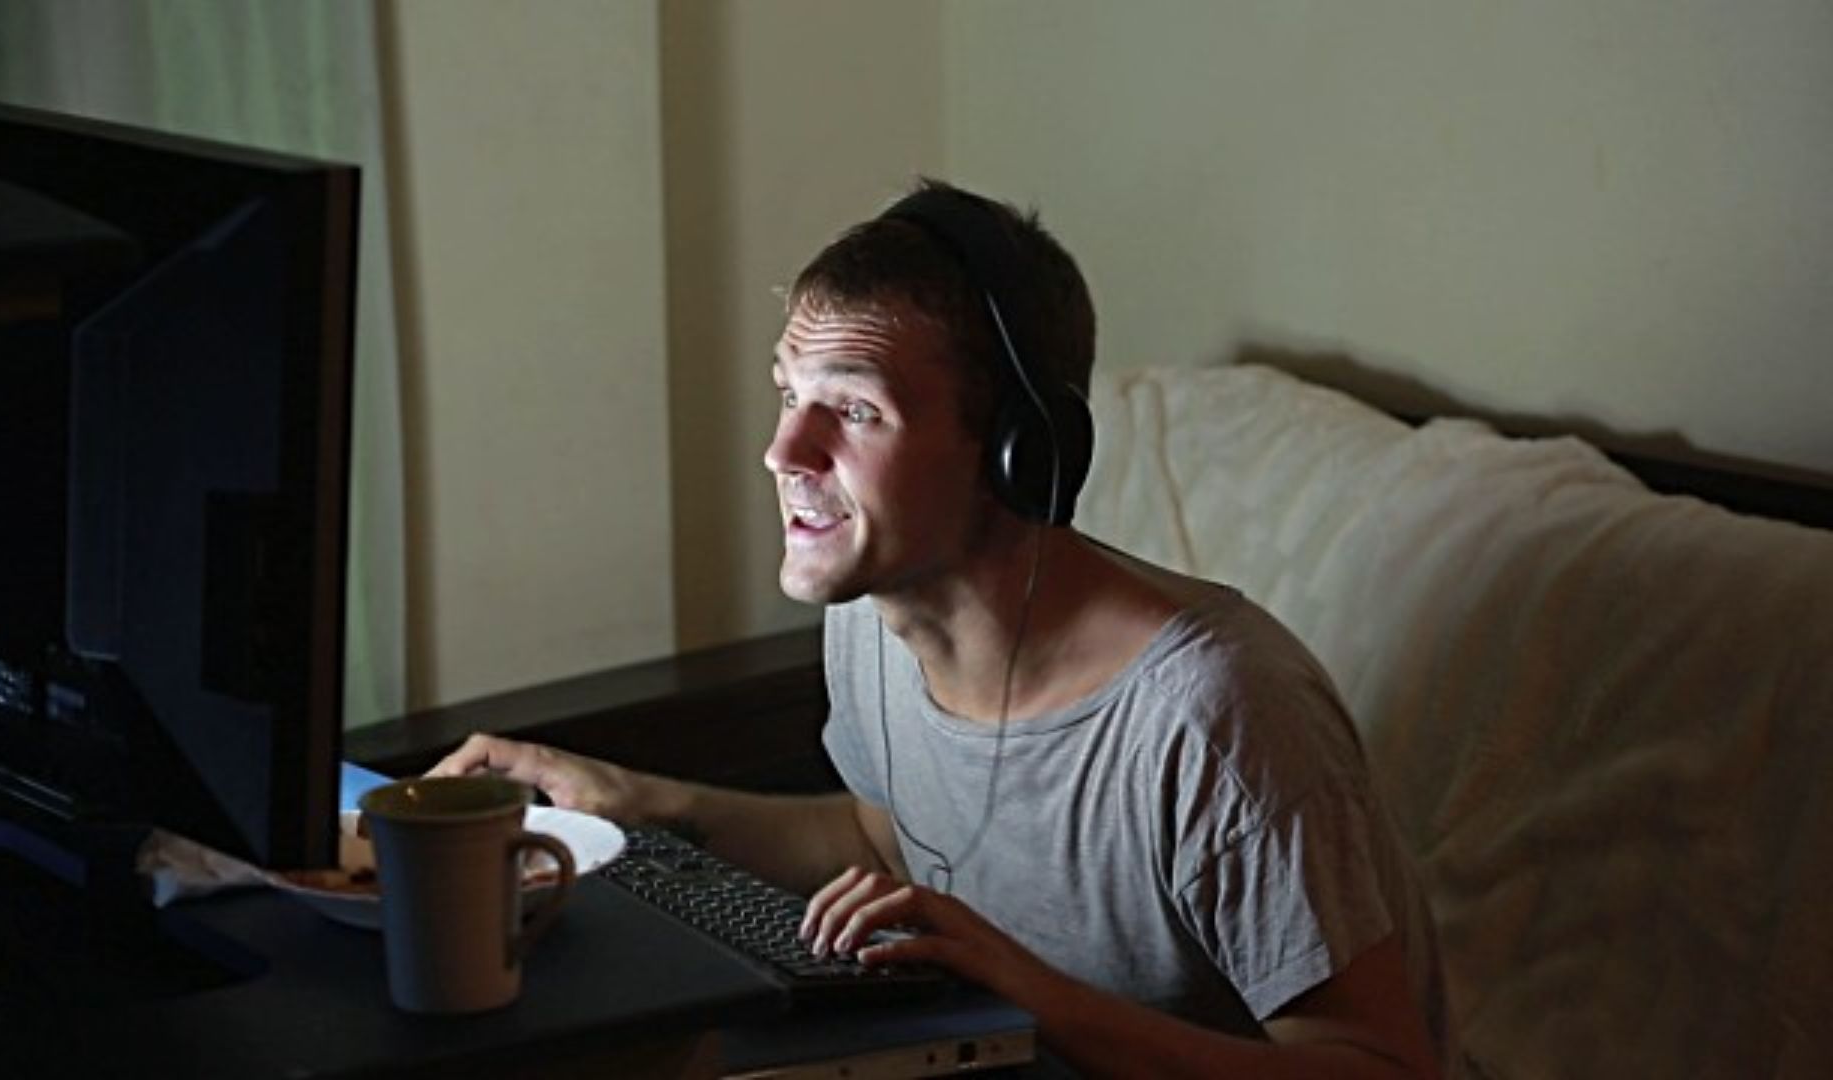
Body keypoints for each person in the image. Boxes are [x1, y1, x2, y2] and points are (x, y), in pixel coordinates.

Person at [431, 179, 1448, 1077]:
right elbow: (889, 834)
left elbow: (1381, 1068)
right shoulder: (875, 618)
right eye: (789, 395)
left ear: (1018, 454)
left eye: (856, 411)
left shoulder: (1216, 716)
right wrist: (639, 802)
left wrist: (1031, 993)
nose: (784, 449)